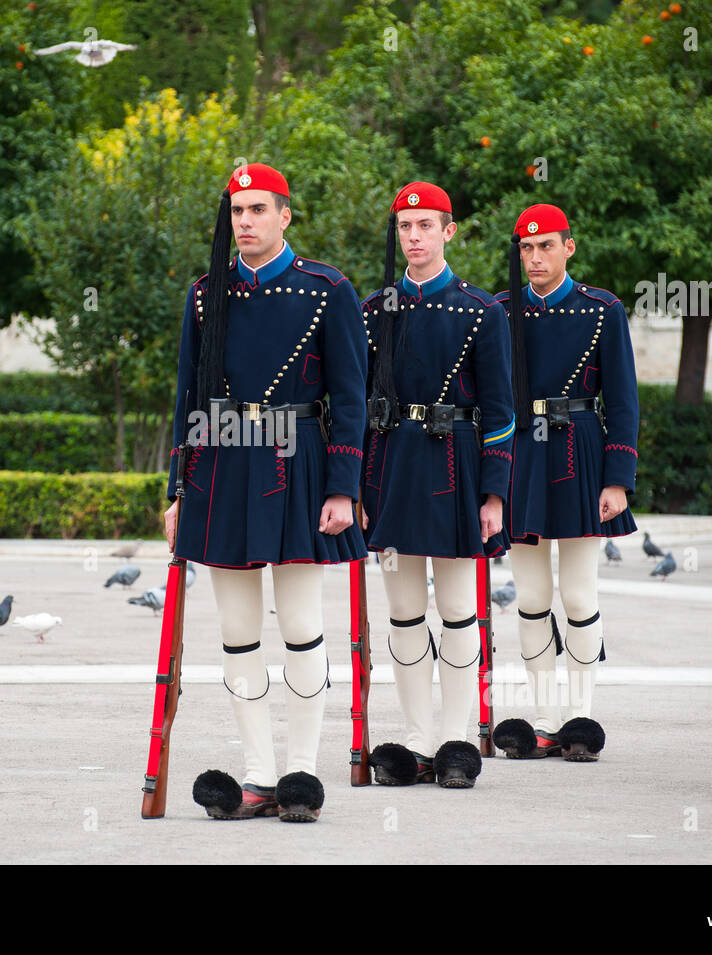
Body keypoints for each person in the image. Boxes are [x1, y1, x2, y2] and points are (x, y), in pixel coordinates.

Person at [164, 163, 368, 821]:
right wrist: (177, 491)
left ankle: (302, 774)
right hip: (222, 466)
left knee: (304, 627)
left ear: (285, 215)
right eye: (236, 211)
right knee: (237, 631)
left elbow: (351, 398)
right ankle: (257, 775)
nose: (245, 221)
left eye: (258, 209)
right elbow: (187, 401)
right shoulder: (205, 295)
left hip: (299, 462)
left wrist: (343, 487)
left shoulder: (326, 289)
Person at [359, 182, 514, 789]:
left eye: (426, 225)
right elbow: (353, 404)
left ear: (449, 231)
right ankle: (417, 741)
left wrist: (495, 494)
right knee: (402, 611)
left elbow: (501, 412)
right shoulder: (373, 310)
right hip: (392, 470)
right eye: (405, 227)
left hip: (456, 469)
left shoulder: (482, 311)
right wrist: (356, 488)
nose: (414, 237)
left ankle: (455, 741)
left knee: (456, 610)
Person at [492, 203, 640, 762]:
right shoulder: (501, 310)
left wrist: (618, 478)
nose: (534, 257)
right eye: (526, 248)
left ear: (568, 247)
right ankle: (544, 717)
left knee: (579, 594)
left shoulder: (602, 310)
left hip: (580, 451)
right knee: (530, 597)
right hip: (522, 456)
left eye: (545, 246)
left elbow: (623, 400)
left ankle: (581, 716)